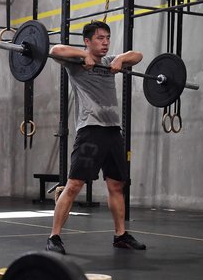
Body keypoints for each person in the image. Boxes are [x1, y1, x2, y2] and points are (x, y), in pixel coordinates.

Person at [46, 21, 146, 255]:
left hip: (113, 131)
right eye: (100, 38)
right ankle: (54, 237)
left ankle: (120, 235)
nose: (105, 42)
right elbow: (54, 51)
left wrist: (120, 59)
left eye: (107, 38)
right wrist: (83, 55)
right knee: (73, 186)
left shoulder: (111, 62)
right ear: (88, 41)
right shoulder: (76, 63)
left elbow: (138, 55)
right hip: (90, 130)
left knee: (117, 184)